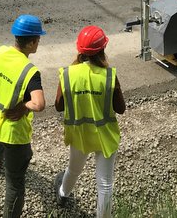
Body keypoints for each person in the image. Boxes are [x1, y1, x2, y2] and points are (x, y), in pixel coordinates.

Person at [53, 25, 126, 217]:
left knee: (74, 170)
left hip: (79, 135)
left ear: (80, 50)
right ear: (102, 50)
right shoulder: (109, 75)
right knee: (105, 184)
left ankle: (63, 193)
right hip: (105, 137)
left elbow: (59, 106)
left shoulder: (68, 74)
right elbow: (121, 109)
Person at [0, 14, 47, 218]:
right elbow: (39, 104)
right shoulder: (29, 71)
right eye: (38, 38)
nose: (39, 42)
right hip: (13, 132)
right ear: (32, 42)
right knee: (15, 184)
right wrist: (23, 107)